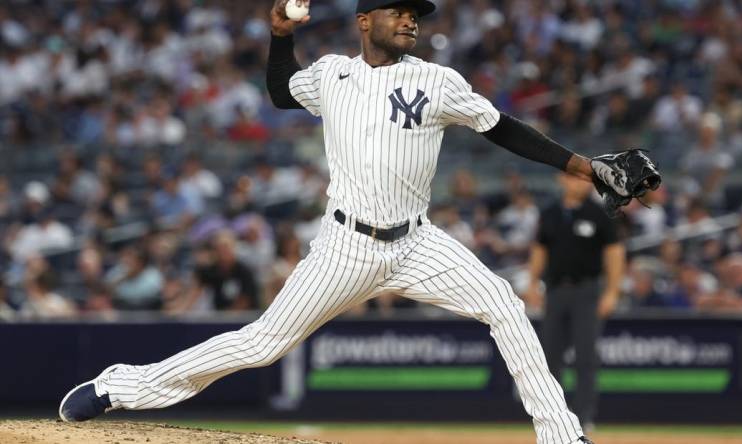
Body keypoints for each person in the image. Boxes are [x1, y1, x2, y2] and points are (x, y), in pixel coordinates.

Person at [60, 2, 638, 442]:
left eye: (417, 13)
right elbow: (282, 92)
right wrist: (281, 36)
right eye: (399, 11)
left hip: (416, 242)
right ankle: (120, 385)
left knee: (505, 303)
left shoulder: (437, 81)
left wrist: (586, 169)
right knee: (261, 344)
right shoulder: (333, 74)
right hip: (345, 245)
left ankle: (560, 433)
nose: (411, 20)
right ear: (365, 21)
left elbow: (504, 128)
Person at [525, 173, 625, 431]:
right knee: (549, 356)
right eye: (573, 178)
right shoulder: (550, 213)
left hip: (587, 291)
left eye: (582, 180)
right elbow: (540, 249)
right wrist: (532, 283)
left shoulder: (601, 212)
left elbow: (614, 253)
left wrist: (612, 291)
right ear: (561, 180)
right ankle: (552, 416)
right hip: (555, 291)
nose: (577, 183)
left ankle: (584, 416)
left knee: (585, 356)